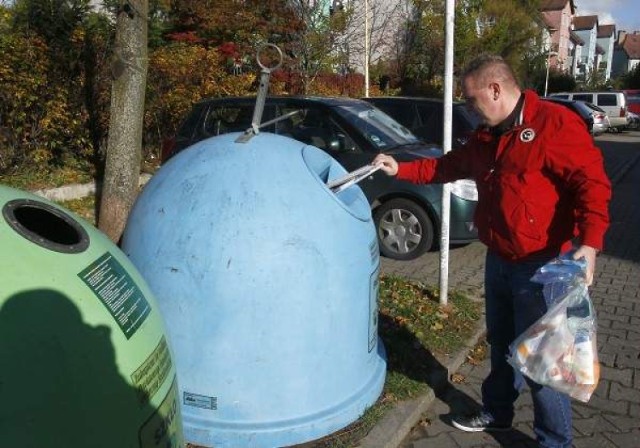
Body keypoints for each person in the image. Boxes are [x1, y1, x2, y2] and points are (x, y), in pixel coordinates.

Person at [373, 54, 611, 448]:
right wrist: (401, 170)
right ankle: (498, 414)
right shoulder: (487, 135)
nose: (467, 107)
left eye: (470, 99)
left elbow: (593, 186)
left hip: (544, 266)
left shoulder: (553, 124)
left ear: (496, 89)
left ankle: (554, 441)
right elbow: (446, 167)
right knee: (501, 345)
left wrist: (590, 243)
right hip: (498, 260)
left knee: (543, 363)